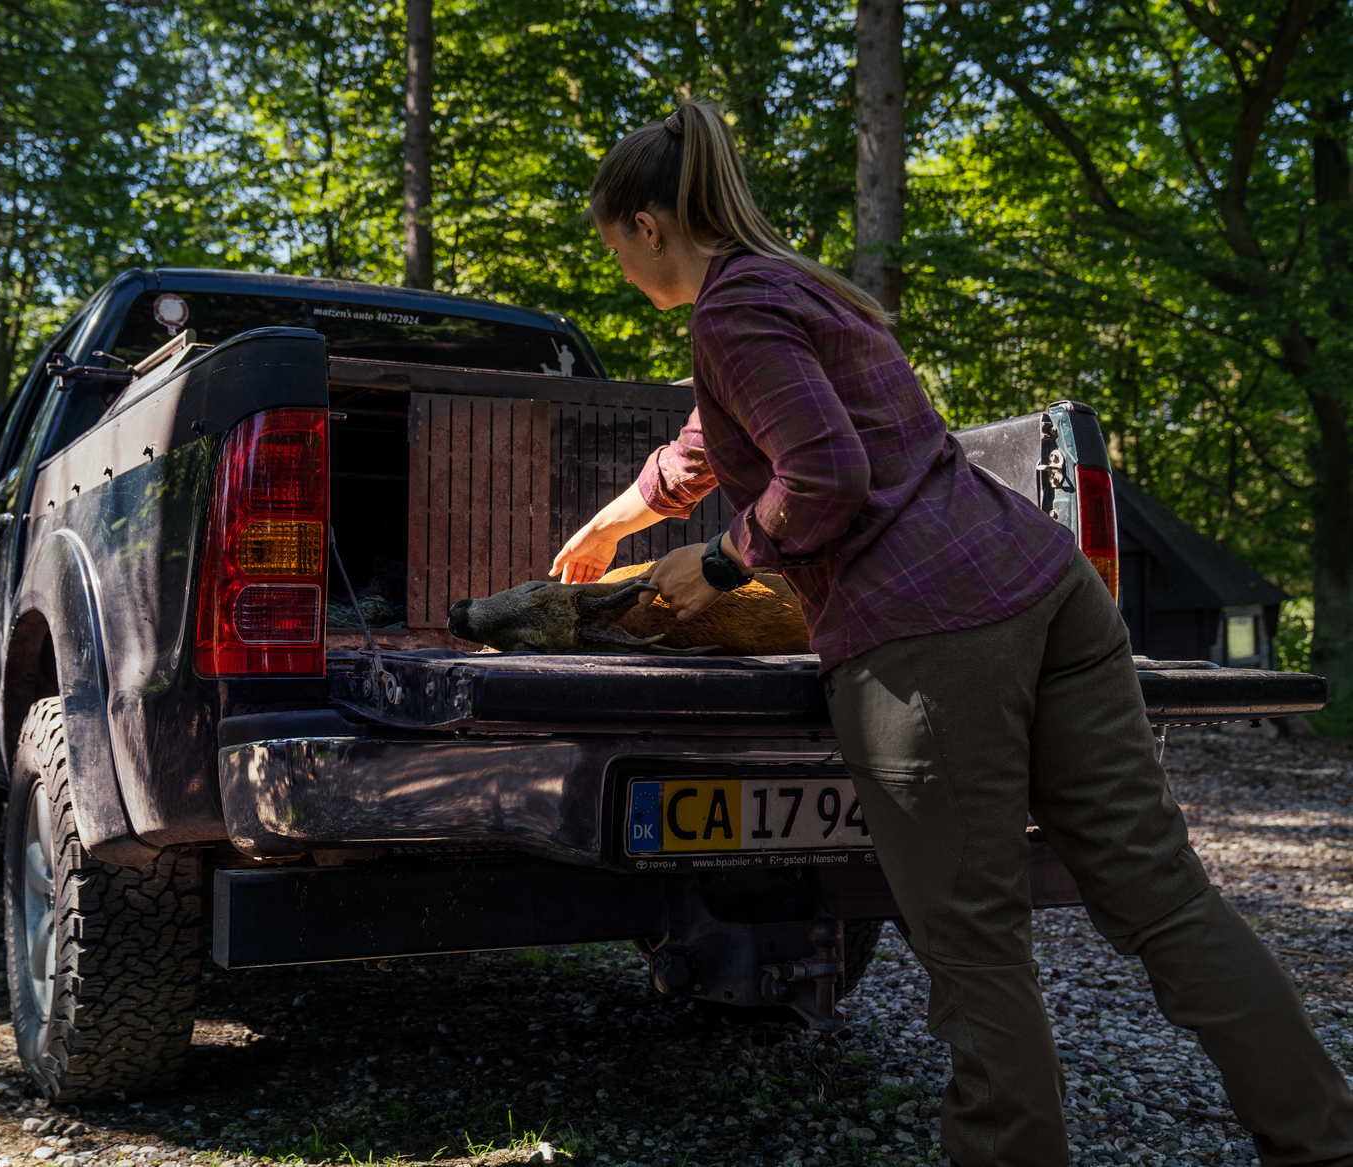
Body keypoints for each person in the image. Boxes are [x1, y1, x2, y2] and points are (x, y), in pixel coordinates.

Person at [553, 99, 1353, 1167]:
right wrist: (615, 521)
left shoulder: (730, 315)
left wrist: (716, 561)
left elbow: (821, 475)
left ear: (645, 225)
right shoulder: (794, 288)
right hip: (1044, 588)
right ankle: (1321, 1140)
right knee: (1164, 903)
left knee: (973, 946)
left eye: (613, 248)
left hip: (929, 638)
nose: (619, 270)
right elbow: (716, 439)